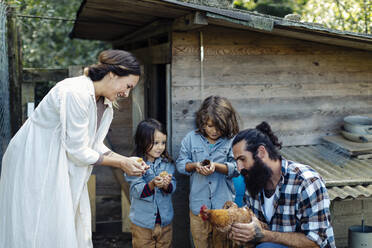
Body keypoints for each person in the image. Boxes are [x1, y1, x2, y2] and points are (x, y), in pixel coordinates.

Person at [0, 50, 149, 248]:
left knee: (61, 218)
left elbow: (94, 145)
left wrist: (125, 160)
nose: (126, 93)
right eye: (128, 86)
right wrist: (121, 162)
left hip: (56, 159)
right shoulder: (75, 92)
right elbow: (78, 151)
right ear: (113, 74)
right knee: (36, 219)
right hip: (33, 158)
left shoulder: (106, 106)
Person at [230, 121, 336, 248]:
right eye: (236, 161)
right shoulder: (253, 182)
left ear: (261, 153)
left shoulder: (306, 181)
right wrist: (242, 235)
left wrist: (264, 235)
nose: (239, 167)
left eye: (242, 159)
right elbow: (254, 232)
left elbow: (315, 241)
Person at [176, 95, 240, 248]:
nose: (214, 131)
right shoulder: (191, 139)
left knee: (224, 244)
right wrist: (195, 166)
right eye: (210, 126)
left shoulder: (233, 141)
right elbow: (180, 165)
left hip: (223, 208)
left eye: (219, 127)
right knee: (201, 243)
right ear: (202, 121)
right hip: (199, 207)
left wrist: (216, 166)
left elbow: (237, 168)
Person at [125, 119, 176, 248]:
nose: (160, 147)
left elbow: (172, 187)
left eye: (163, 143)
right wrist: (152, 184)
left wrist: (167, 184)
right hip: (142, 224)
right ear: (143, 141)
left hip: (165, 223)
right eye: (155, 143)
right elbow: (136, 191)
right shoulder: (134, 164)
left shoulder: (167, 163)